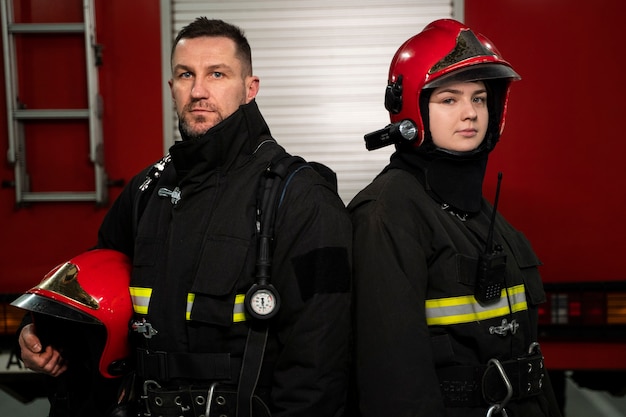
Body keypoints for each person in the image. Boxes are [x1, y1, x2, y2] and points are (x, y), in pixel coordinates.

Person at [18, 17, 352, 417]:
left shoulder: (301, 197)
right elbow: (95, 294)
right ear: (171, 88)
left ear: (250, 89)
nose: (198, 90)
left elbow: (321, 361)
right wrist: (41, 339)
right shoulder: (146, 191)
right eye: (185, 75)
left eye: (216, 74)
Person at [348, 19, 562, 417]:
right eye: (449, 99)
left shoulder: (488, 219)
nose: (470, 113)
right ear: (411, 109)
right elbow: (394, 387)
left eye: (479, 99)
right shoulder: (386, 215)